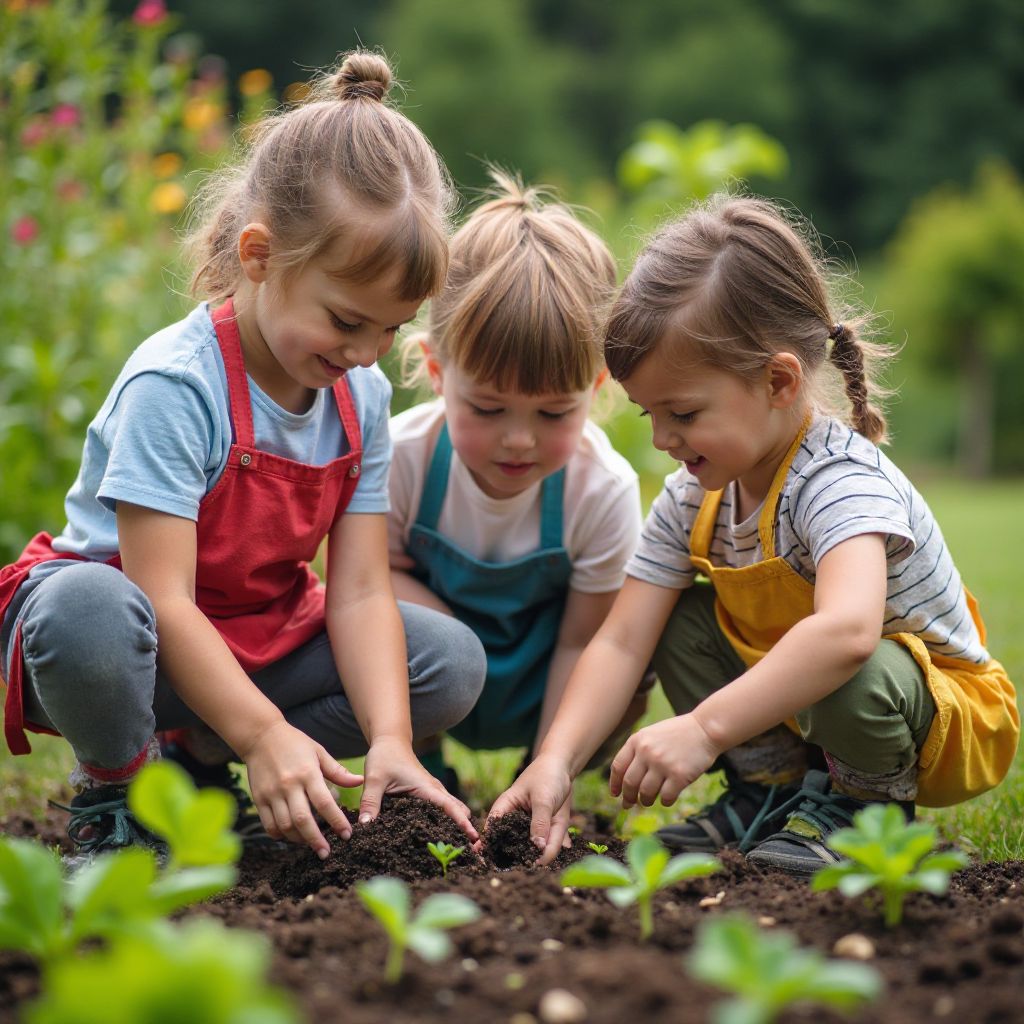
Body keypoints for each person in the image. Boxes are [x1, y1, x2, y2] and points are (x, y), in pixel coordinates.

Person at [0, 51, 488, 865]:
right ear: (259, 256)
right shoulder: (177, 385)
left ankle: (198, 768)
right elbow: (165, 599)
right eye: (345, 321)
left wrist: (392, 740)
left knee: (445, 661)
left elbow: (362, 589)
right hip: (134, 643)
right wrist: (264, 731)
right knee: (89, 608)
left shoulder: (357, 395)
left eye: (390, 329)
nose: (368, 354)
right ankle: (120, 793)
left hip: (253, 638)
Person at [490, 193, 1019, 875]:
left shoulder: (838, 481)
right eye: (650, 413)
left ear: (776, 380)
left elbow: (849, 633)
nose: (660, 438)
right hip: (809, 701)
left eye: (681, 411)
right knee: (676, 619)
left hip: (936, 717)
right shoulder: (694, 495)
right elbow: (621, 639)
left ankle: (865, 811)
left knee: (851, 663)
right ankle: (766, 794)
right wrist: (554, 760)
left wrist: (703, 730)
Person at [387, 171, 645, 795]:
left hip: (539, 681)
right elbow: (371, 587)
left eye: (554, 413)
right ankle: (422, 768)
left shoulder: (601, 490)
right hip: (435, 676)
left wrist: (545, 765)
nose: (520, 440)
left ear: (598, 386)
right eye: (488, 408)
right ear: (436, 371)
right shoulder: (403, 460)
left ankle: (537, 775)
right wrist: (449, 641)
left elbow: (583, 642)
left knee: (634, 666)